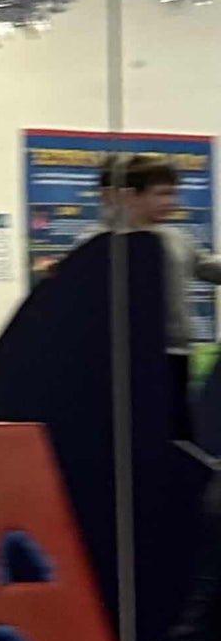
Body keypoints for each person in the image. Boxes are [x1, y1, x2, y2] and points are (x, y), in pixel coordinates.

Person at [100, 153, 221, 436]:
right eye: (162, 194)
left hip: (176, 354)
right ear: (131, 196)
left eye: (173, 193)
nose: (172, 202)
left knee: (177, 433)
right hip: (129, 359)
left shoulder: (176, 239)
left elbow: (208, 267)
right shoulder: (105, 243)